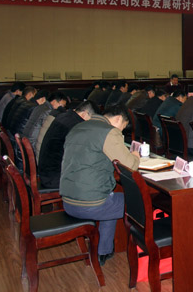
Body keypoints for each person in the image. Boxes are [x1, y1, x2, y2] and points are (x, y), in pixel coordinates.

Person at [60, 105, 140, 266]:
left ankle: (104, 251)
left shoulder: (78, 127)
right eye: (123, 127)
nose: (121, 131)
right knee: (140, 202)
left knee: (112, 197)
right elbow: (130, 165)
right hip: (90, 205)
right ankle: (141, 252)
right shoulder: (109, 132)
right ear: (118, 118)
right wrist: (135, 156)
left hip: (68, 201)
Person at [38, 101, 96, 188]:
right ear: (84, 114)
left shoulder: (63, 116)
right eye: (91, 119)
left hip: (46, 172)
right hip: (55, 178)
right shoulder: (76, 126)